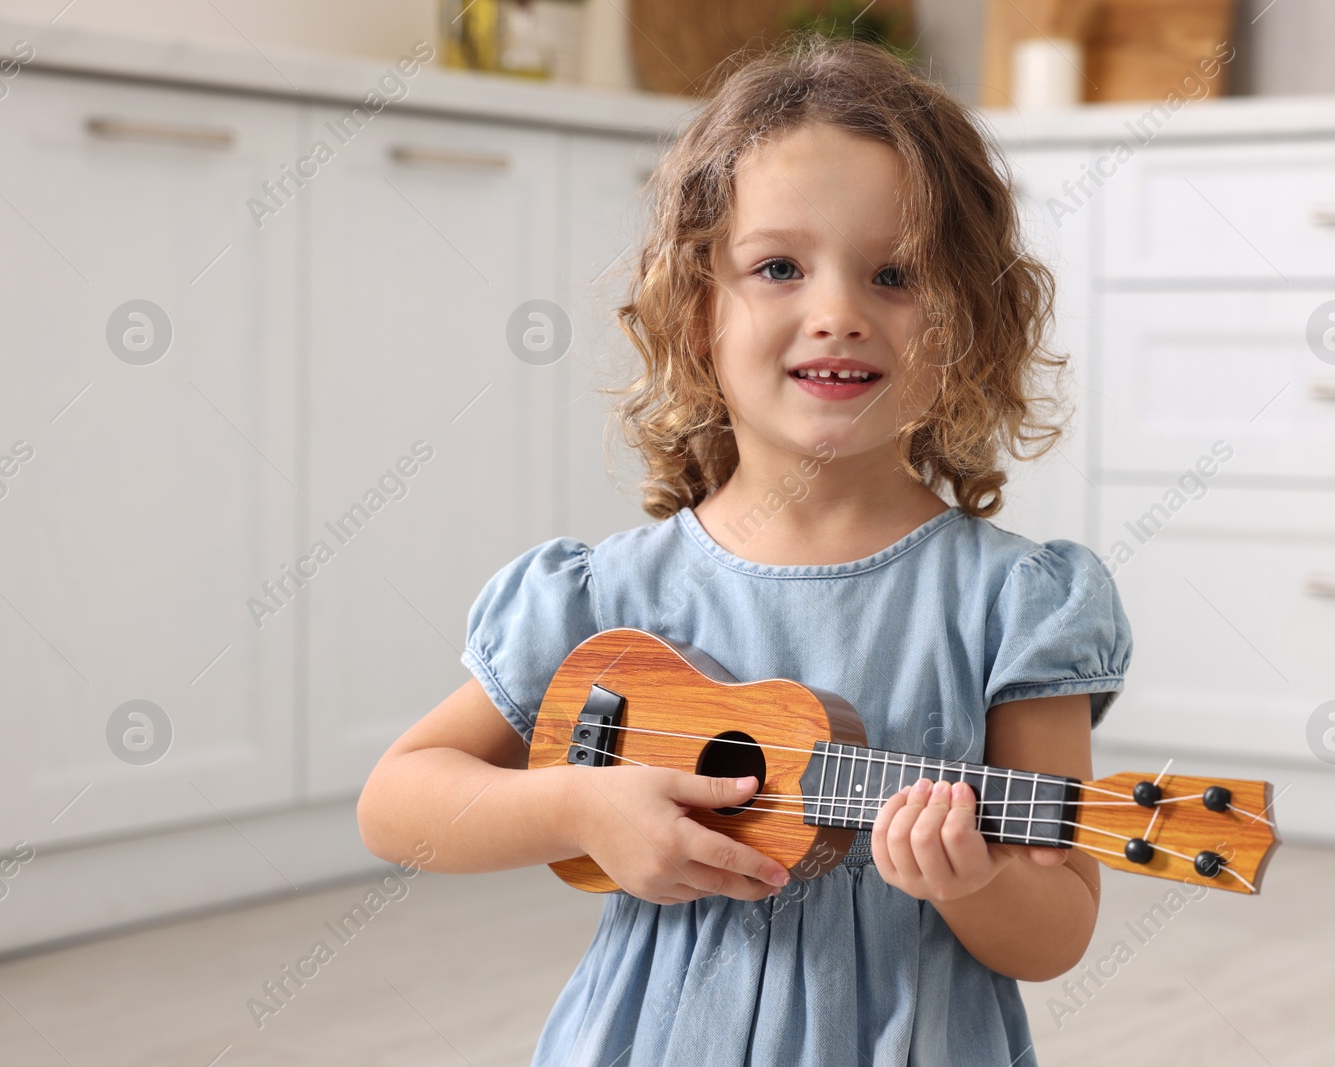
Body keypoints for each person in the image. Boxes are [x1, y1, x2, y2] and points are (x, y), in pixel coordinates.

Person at [358, 31, 1132, 1066]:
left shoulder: (1013, 604)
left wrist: (976, 880)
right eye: (778, 267)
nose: (838, 313)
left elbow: (1060, 927)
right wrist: (583, 803)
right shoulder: (609, 598)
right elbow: (397, 802)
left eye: (894, 274)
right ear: (695, 317)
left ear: (967, 325)